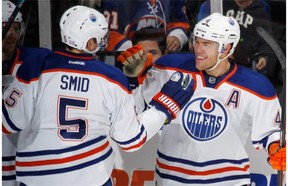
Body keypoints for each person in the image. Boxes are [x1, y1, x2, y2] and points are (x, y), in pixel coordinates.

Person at [2, 5, 194, 186]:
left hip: (37, 180)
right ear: (91, 42)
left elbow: (9, 122)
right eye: (101, 37)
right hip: (91, 179)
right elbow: (130, 139)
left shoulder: (36, 65)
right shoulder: (111, 77)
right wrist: (164, 107)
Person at [117, 13, 285, 185]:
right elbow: (137, 113)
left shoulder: (256, 87)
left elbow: (271, 132)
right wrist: (134, 81)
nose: (198, 49)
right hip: (172, 180)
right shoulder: (169, 68)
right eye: (197, 41)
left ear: (226, 48)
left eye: (206, 44)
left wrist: (275, 147)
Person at [2, 1, 51, 185]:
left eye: (16, 28)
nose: (13, 34)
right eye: (7, 28)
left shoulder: (34, 59)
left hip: (22, 160)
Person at [197, 0, 277, 80]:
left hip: (246, 63)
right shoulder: (222, 6)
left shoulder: (259, 12)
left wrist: (263, 57)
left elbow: (267, 39)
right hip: (221, 59)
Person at [100, 0, 190, 53]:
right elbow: (106, 33)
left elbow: (181, 22)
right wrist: (131, 49)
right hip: (124, 61)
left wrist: (177, 36)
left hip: (162, 58)